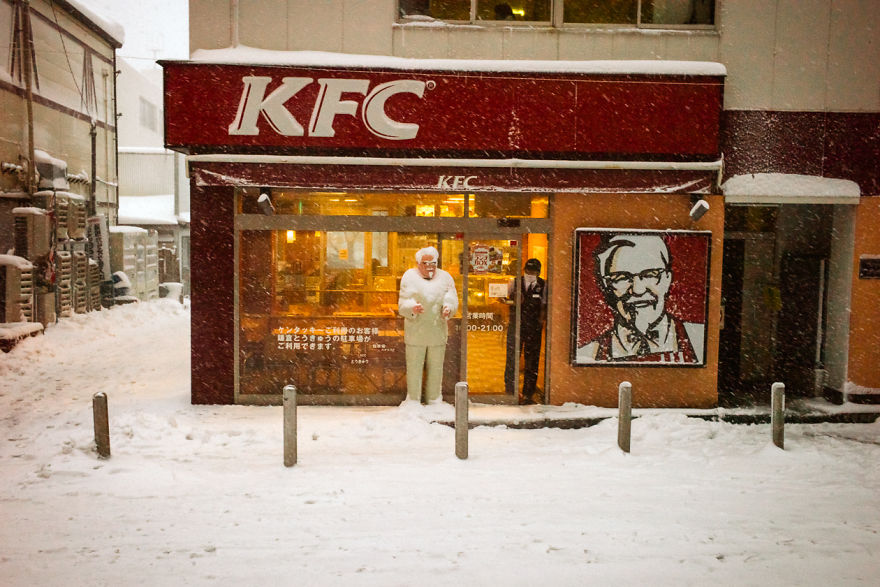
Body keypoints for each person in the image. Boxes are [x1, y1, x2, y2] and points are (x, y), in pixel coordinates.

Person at [576, 234, 704, 364]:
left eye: (650, 275)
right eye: (621, 278)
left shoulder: (701, 341)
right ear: (605, 286)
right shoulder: (585, 356)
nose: (638, 290)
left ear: (667, 279)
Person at [397, 246, 459, 404]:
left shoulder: (446, 277)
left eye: (433, 263)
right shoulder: (409, 277)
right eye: (425, 263)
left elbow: (451, 297)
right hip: (415, 332)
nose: (430, 266)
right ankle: (413, 400)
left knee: (436, 369)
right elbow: (403, 303)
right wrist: (412, 308)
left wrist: (448, 308)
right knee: (414, 369)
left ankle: (434, 399)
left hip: (437, 331)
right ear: (418, 263)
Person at [504, 258, 546, 404]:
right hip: (515, 326)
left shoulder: (543, 285)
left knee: (532, 361)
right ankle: (510, 391)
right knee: (512, 358)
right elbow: (503, 300)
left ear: (538, 273)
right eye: (527, 271)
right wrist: (513, 301)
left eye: (533, 272)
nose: (530, 274)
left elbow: (544, 306)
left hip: (534, 328)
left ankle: (528, 393)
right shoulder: (514, 282)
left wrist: (540, 322)